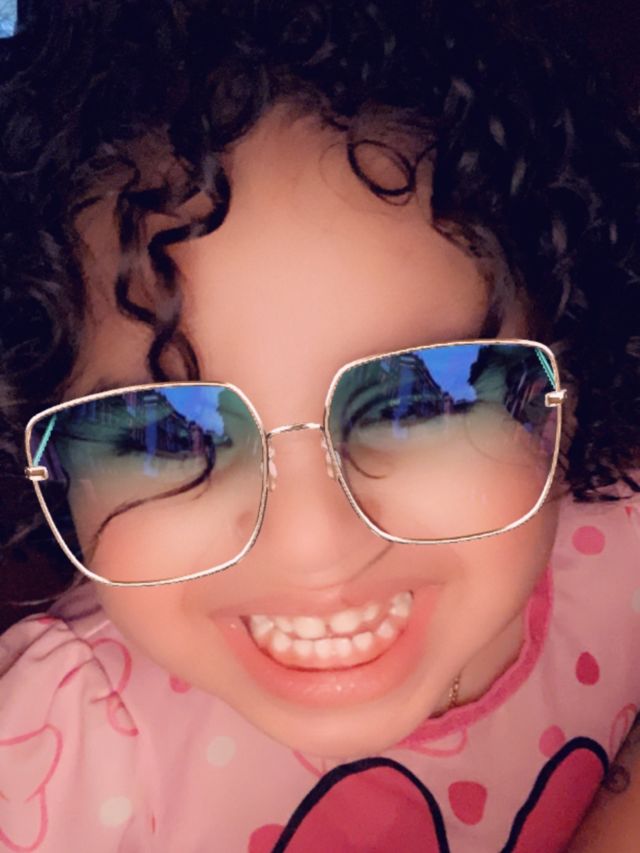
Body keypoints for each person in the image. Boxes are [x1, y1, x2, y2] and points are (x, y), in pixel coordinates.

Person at [1, 1, 639, 850]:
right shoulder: (58, 757)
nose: (312, 547)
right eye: (169, 435)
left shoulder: (627, 544)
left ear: (569, 367)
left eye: (419, 401)